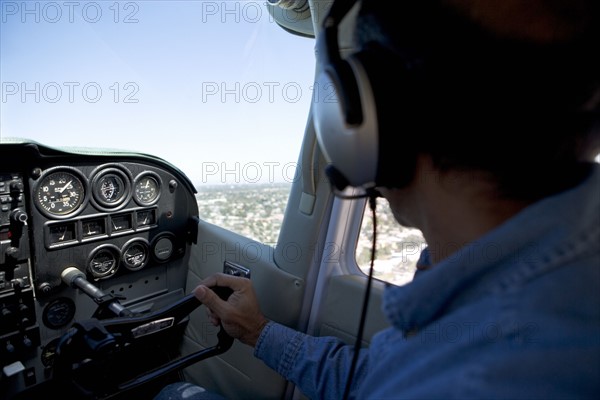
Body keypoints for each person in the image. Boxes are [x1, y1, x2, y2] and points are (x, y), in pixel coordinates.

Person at [156, 0, 600, 398]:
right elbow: (377, 376)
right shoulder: (523, 287)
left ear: (370, 126)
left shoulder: (474, 379)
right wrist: (259, 331)